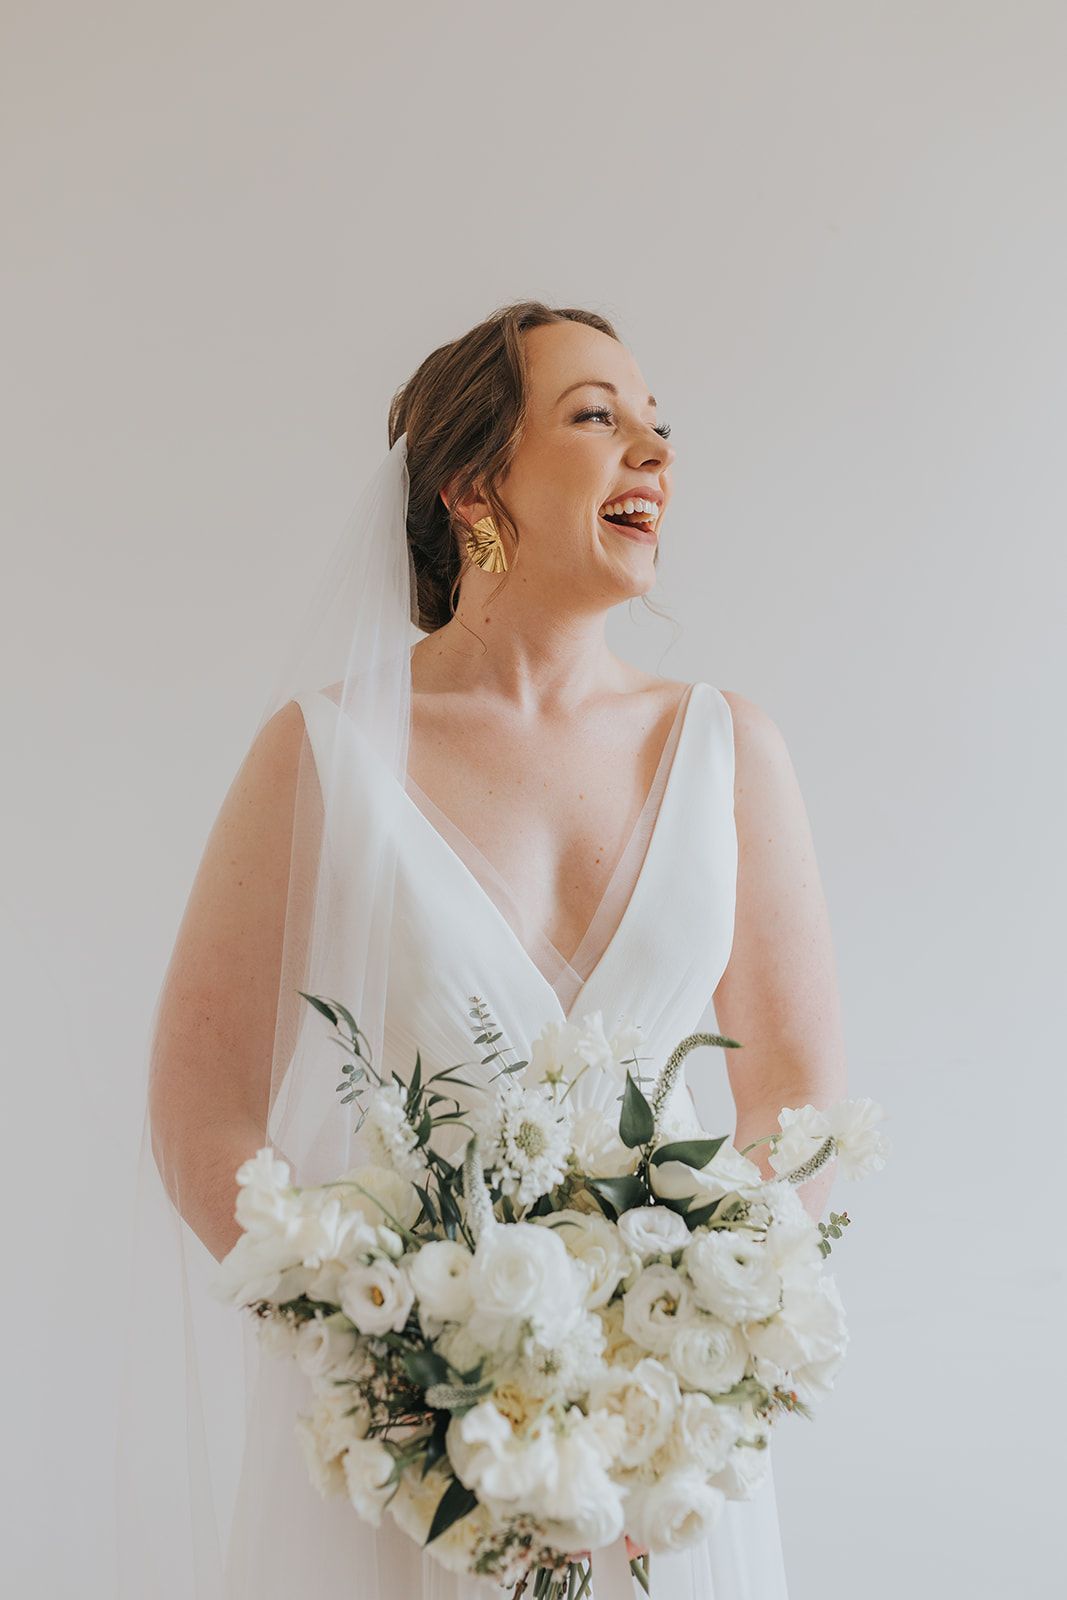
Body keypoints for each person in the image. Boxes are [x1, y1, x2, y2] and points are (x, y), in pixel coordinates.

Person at [118, 300, 846, 1598]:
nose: (654, 454)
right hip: (406, 1455)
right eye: (596, 416)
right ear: (473, 486)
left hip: (657, 1464)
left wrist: (676, 1373)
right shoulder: (324, 757)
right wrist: (392, 1347)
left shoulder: (733, 751)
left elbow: (795, 1100)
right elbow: (198, 1106)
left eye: (658, 426)